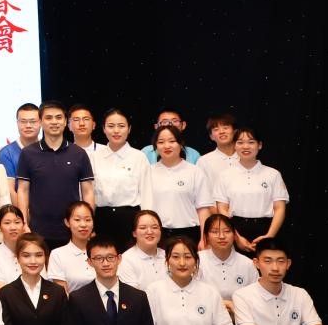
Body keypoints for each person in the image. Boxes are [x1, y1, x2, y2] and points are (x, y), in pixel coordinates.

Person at [16, 101, 94, 249]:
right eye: (48, 118)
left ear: (65, 122)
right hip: (37, 231)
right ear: (40, 122)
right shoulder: (28, 153)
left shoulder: (79, 153)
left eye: (59, 117)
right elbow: (23, 190)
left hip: (72, 231)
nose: (54, 122)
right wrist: (24, 223)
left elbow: (88, 191)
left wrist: (88, 223)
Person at [213, 127, 289, 252]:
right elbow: (222, 209)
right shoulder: (225, 175)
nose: (245, 146)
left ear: (260, 145)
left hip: (268, 229)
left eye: (251, 142)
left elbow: (280, 208)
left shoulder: (273, 174)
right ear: (234, 146)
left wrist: (269, 236)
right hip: (235, 230)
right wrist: (236, 238)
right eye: (240, 142)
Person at [141, 124, 212, 249]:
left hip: (189, 232)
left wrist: (204, 238)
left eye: (172, 141)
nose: (166, 146)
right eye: (161, 142)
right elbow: (145, 208)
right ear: (155, 146)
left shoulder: (195, 171)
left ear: (180, 144)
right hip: (158, 234)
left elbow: (203, 209)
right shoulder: (148, 172)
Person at [92, 108, 148, 244]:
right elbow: (89, 192)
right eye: (111, 126)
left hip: (130, 219)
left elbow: (147, 194)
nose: (116, 131)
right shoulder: (94, 157)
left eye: (121, 126)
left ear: (129, 129)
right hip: (101, 218)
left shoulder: (139, 157)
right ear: (103, 129)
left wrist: (146, 224)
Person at [196, 214, 256, 318]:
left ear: (234, 236)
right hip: (204, 317)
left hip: (240, 318)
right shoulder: (197, 261)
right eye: (215, 232)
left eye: (227, 231)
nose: (222, 236)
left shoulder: (247, 264)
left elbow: (255, 297)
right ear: (206, 236)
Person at [46, 201, 96, 294]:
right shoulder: (58, 254)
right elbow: (62, 294)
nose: (83, 225)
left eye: (88, 220)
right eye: (77, 220)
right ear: (67, 222)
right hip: (72, 303)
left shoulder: (102, 251)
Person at [0, 102, 41, 198]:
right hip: (19, 206)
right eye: (23, 121)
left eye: (33, 121)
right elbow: (9, 190)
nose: (28, 125)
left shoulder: (47, 149)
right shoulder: (6, 153)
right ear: (17, 123)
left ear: (41, 122)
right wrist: (23, 207)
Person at [118, 210, 167, 291]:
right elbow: (132, 295)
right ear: (134, 233)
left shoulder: (168, 256)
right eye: (143, 228)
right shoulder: (126, 260)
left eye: (154, 227)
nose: (150, 232)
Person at [196, 112, 240, 191]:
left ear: (235, 131)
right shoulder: (204, 161)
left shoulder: (246, 157)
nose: (221, 131)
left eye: (225, 128)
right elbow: (201, 191)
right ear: (211, 136)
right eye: (216, 129)